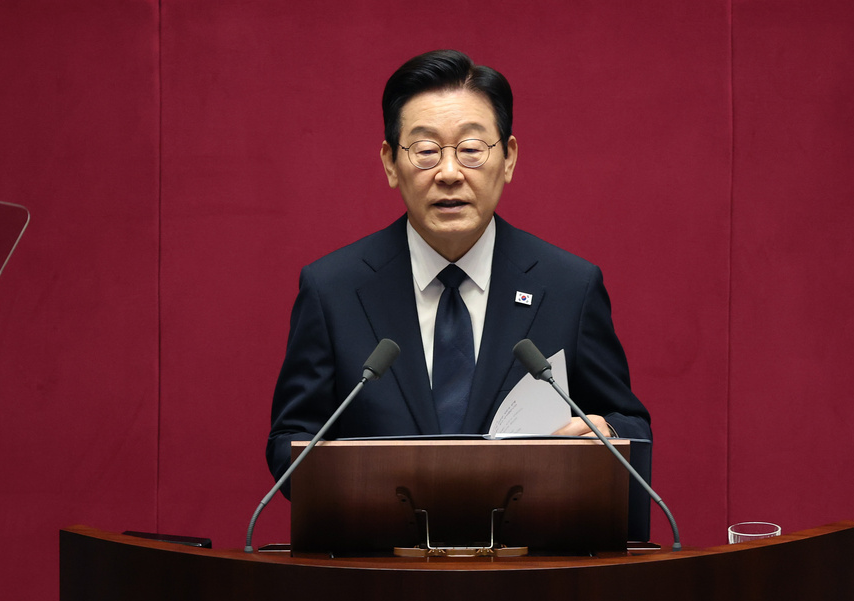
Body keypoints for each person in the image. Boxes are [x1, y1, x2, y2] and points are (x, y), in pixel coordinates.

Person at [266, 49, 651, 485]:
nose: (449, 173)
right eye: (426, 150)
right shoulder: (332, 290)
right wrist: (363, 483)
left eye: (471, 149)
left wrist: (608, 432)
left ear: (508, 158)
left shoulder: (569, 287)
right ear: (391, 163)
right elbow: (290, 441)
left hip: (526, 529)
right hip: (382, 529)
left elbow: (631, 426)